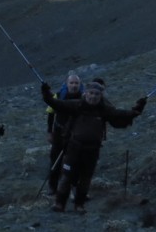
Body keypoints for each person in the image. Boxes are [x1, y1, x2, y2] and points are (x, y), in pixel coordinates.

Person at [40, 80, 146, 213]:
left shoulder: (105, 110)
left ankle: (79, 205)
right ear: (85, 93)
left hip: (92, 150)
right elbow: (55, 104)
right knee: (67, 176)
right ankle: (59, 203)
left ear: (101, 95)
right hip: (73, 148)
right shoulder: (76, 105)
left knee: (85, 178)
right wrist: (46, 92)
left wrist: (136, 110)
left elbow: (120, 117)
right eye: (91, 93)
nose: (93, 96)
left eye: (97, 94)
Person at [45, 71, 83, 195]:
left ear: (79, 84)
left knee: (75, 161)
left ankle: (73, 185)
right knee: (55, 159)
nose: (74, 85)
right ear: (66, 84)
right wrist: (49, 132)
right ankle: (52, 186)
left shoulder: (84, 98)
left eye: (76, 83)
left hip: (75, 135)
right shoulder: (58, 96)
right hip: (59, 133)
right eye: (71, 83)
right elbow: (50, 114)